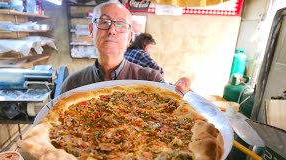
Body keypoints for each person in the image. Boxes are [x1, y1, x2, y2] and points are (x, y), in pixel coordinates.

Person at [61, 0, 190, 94]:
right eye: (104, 22)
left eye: (121, 24)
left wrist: (182, 92)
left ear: (129, 37)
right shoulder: (72, 84)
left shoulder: (151, 79)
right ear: (91, 30)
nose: (112, 30)